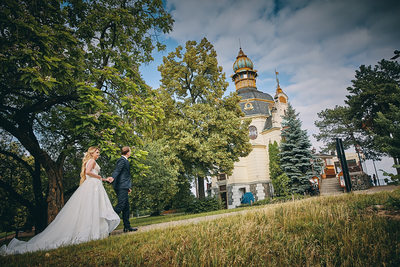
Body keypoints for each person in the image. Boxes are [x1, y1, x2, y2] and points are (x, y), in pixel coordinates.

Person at [0, 147, 120, 255]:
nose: (98, 154)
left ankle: (94, 233)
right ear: (92, 153)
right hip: (92, 186)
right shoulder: (92, 161)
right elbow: (87, 172)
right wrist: (100, 178)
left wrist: (104, 179)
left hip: (94, 185)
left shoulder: (91, 161)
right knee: (92, 208)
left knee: (92, 209)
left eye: (99, 152)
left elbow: (89, 173)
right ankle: (91, 234)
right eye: (97, 152)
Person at [109, 146, 137, 232]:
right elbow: (117, 170)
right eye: (130, 151)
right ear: (128, 152)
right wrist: (112, 178)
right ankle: (107, 222)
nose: (131, 152)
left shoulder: (125, 160)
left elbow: (124, 174)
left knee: (126, 207)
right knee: (121, 205)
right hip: (121, 186)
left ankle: (127, 227)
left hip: (124, 186)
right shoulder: (122, 160)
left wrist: (128, 187)